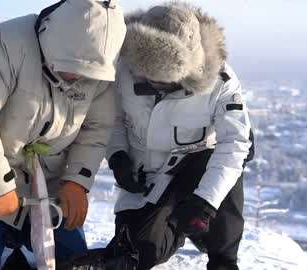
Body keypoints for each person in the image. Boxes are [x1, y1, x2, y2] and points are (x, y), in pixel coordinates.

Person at [0, 0, 126, 269]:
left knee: (71, 261)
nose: (79, 79)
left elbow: (96, 129)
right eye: (73, 70)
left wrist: (77, 182)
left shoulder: (101, 71)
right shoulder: (2, 43)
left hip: (51, 184)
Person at [104, 2, 255, 270]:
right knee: (140, 250)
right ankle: (172, 226)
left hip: (200, 162)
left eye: (163, 79)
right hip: (151, 171)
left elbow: (234, 144)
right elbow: (113, 119)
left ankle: (223, 259)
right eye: (147, 76)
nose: (154, 84)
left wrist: (205, 203)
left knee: (232, 169)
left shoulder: (221, 82)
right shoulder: (121, 69)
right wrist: (117, 156)